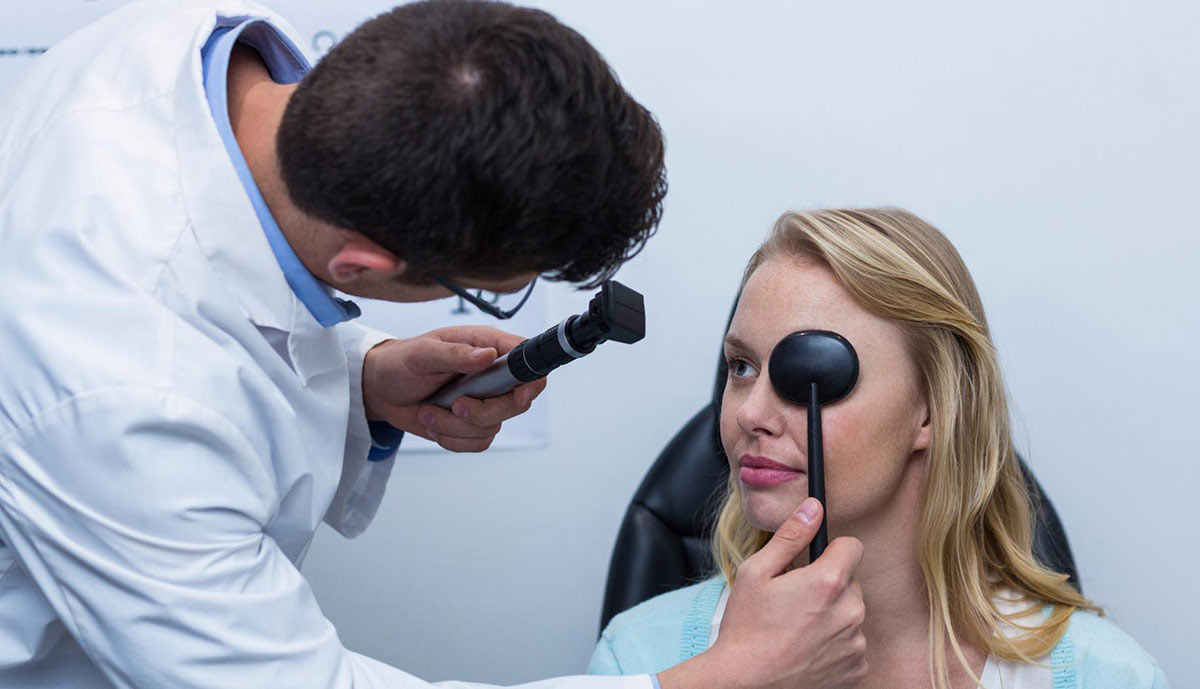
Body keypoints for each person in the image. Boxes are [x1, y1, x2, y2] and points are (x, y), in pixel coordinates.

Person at [0, 1, 870, 687]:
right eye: (501, 287)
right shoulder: (119, 396)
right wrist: (718, 678)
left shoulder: (181, 43)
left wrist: (363, 375)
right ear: (364, 265)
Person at [588, 208, 1169, 689]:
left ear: (933, 410)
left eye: (809, 373)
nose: (749, 414)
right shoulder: (639, 658)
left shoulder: (1109, 676)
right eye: (740, 367)